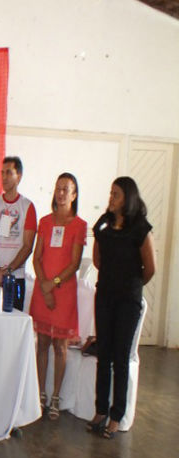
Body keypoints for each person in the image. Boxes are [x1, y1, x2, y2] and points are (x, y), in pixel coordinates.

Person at [87, 177, 156, 439]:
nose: (111, 198)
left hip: (128, 301)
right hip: (105, 295)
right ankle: (100, 411)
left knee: (120, 357)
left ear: (128, 197)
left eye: (116, 194)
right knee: (103, 355)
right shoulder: (103, 224)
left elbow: (150, 269)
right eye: (110, 193)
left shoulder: (140, 228)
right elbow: (97, 260)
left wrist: (131, 286)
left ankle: (116, 416)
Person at [29, 173, 86, 420]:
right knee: (42, 343)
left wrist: (52, 285)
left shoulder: (79, 225)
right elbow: (36, 258)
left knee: (60, 346)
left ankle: (55, 397)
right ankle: (40, 393)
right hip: (43, 290)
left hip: (63, 293)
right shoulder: (44, 222)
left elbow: (74, 264)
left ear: (74, 195)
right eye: (58, 188)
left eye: (66, 189)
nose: (61, 193)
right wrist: (44, 286)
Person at [0, 156, 36, 310]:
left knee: (13, 319)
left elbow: (28, 246)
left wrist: (8, 271)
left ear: (19, 176)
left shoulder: (27, 207)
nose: (4, 177)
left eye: (9, 173)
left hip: (14, 277)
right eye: (2, 173)